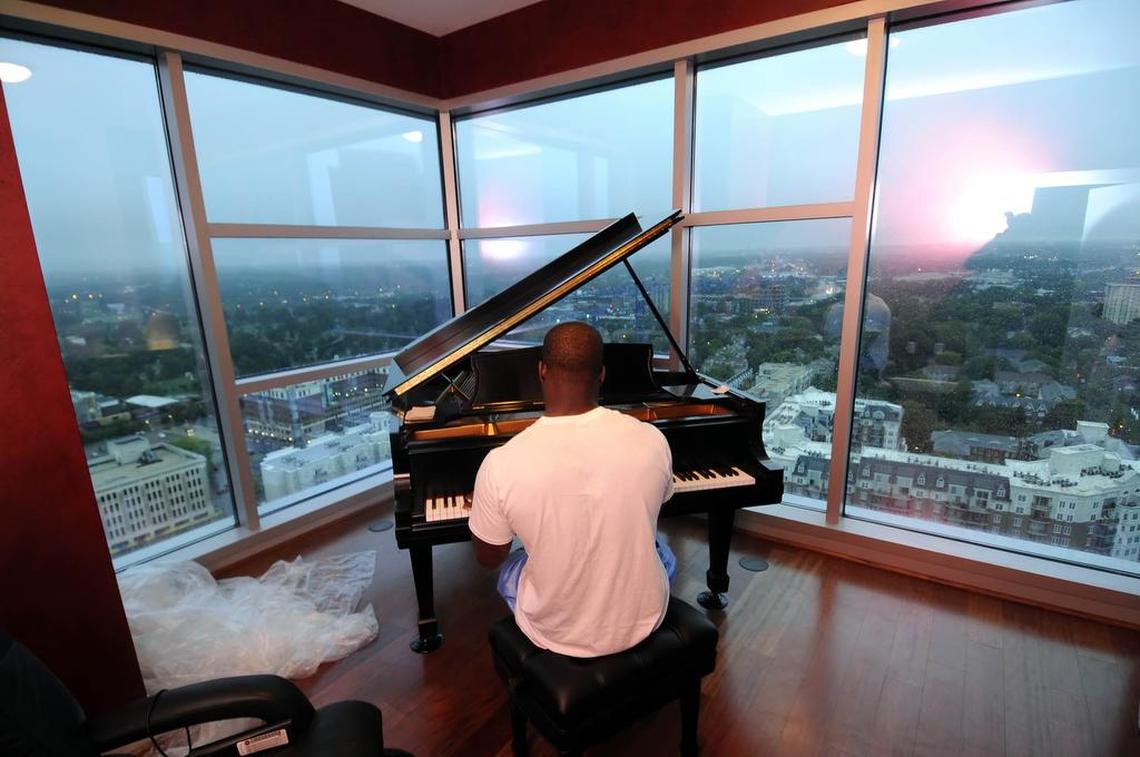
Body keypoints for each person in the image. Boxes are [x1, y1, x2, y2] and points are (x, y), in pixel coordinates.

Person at [467, 321, 677, 658]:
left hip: (554, 632)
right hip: (646, 618)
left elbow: (488, 558)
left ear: (541, 370)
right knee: (659, 550)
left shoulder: (501, 462)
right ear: (603, 374)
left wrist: (493, 510)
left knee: (511, 569)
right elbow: (651, 507)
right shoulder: (653, 439)